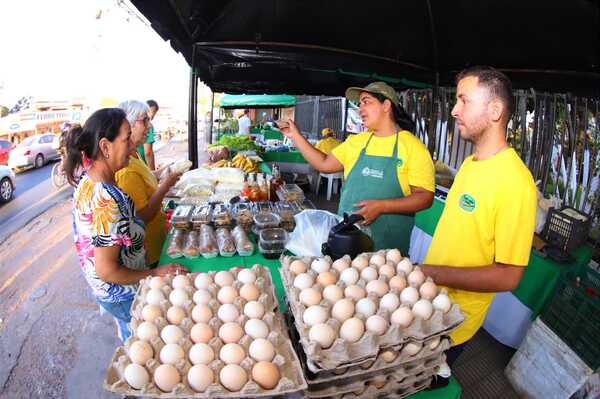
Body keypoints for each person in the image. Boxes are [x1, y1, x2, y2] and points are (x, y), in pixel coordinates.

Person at [420, 66, 537, 366]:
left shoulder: (515, 182)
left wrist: (435, 273)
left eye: (464, 100)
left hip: (453, 322)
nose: (454, 109)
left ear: (495, 109)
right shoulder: (471, 163)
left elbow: (509, 275)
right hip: (429, 301)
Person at [65, 108, 188, 342]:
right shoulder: (106, 198)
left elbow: (119, 229)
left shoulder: (88, 181)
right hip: (123, 294)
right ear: (105, 147)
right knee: (141, 346)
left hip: (110, 292)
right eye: (126, 139)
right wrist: (154, 272)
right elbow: (107, 269)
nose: (132, 146)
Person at [281, 82, 434, 253]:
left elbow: (425, 197)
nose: (360, 108)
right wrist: (295, 135)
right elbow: (323, 164)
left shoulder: (412, 147)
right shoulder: (357, 142)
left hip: (388, 252)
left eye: (366, 102)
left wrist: (382, 206)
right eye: (359, 103)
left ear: (386, 105)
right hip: (345, 241)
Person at [116, 100, 181, 268]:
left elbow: (145, 177)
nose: (149, 126)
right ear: (128, 124)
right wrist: (165, 185)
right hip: (148, 251)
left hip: (157, 241)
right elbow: (142, 216)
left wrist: (163, 172)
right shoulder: (125, 170)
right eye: (144, 120)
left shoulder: (134, 155)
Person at [136, 99, 159, 170]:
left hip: (136, 164)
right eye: (151, 111)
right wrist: (152, 172)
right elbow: (148, 152)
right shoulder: (149, 127)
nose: (152, 115)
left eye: (154, 112)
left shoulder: (135, 125)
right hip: (144, 166)